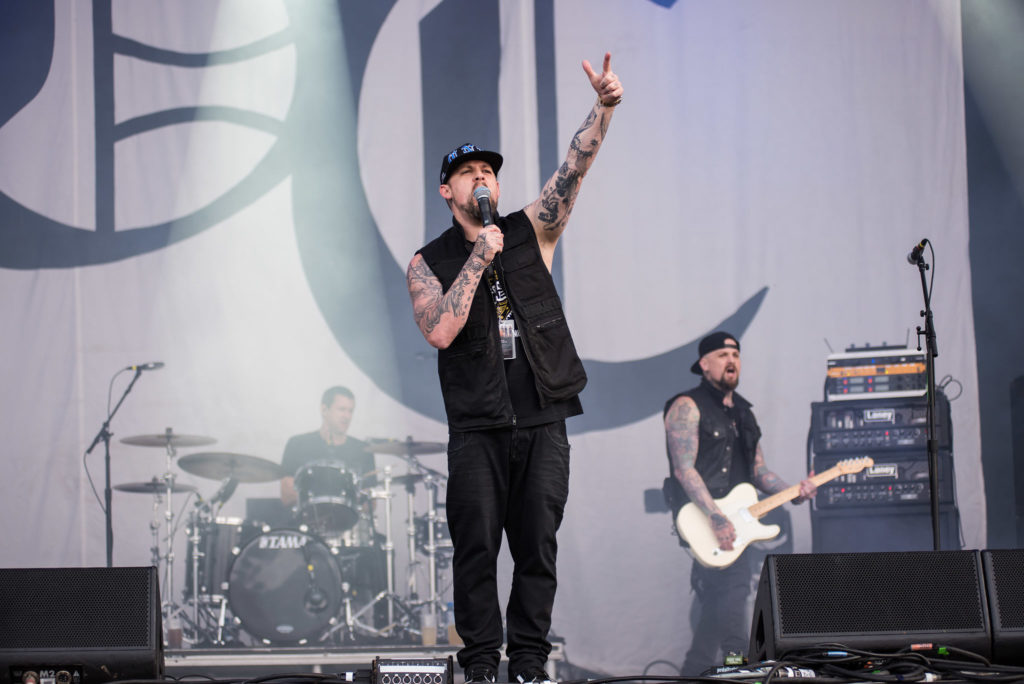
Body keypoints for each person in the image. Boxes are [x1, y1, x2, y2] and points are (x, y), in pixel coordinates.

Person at [406, 53, 623, 684]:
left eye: (488, 172)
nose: (482, 179)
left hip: (541, 413)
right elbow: (441, 328)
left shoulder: (532, 230)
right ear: (448, 190)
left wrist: (603, 107)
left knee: (537, 549)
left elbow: (574, 170)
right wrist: (477, 257)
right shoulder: (429, 260)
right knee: (476, 552)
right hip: (477, 425)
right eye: (468, 172)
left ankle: (528, 665)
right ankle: (479, 666)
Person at [662, 332, 817, 674]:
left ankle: (695, 670)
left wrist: (796, 490)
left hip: (738, 521)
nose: (731, 360)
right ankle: (738, 666)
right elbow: (683, 470)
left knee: (722, 597)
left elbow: (758, 471)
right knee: (732, 590)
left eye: (735, 353)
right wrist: (716, 517)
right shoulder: (686, 406)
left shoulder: (745, 413)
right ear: (704, 365)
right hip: (703, 518)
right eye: (722, 354)